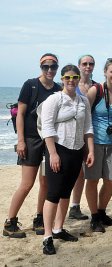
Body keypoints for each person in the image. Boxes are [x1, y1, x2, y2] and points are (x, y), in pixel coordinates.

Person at [3, 53, 62, 238]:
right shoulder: (30, 85)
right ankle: (10, 222)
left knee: (45, 183)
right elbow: (20, 114)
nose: (50, 70)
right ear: (41, 67)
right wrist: (20, 141)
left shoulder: (58, 88)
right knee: (27, 184)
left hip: (48, 140)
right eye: (46, 67)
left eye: (53, 67)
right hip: (30, 140)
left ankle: (39, 219)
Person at [40, 64, 94, 255]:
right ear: (62, 79)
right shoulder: (54, 99)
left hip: (77, 150)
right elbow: (47, 127)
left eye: (75, 77)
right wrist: (53, 154)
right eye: (67, 77)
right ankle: (47, 236)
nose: (71, 81)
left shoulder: (83, 101)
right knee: (53, 194)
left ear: (79, 79)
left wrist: (90, 151)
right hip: (58, 149)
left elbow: (88, 127)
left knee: (66, 193)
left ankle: (58, 229)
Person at [85, 58, 112, 233]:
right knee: (93, 180)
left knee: (111, 181)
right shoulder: (95, 90)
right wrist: (87, 148)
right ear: (105, 72)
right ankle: (94, 217)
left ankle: (102, 212)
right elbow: (85, 119)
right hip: (94, 143)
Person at [68, 55, 97, 221]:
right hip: (73, 133)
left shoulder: (96, 86)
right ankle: (73, 204)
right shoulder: (71, 85)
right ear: (79, 65)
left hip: (90, 133)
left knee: (85, 173)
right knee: (75, 172)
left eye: (91, 64)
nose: (88, 66)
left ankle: (75, 206)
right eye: (84, 63)